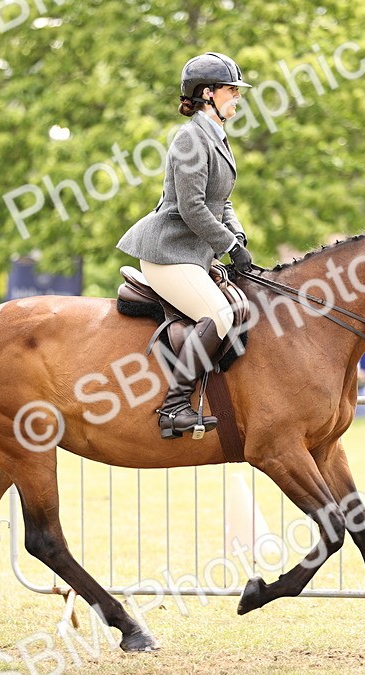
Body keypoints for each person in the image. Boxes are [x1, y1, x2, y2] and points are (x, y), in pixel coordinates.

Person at [117, 51, 253, 439]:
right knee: (220, 316)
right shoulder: (190, 139)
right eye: (231, 90)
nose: (237, 98)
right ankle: (174, 406)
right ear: (208, 93)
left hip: (193, 256)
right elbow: (192, 208)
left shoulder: (217, 137)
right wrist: (227, 243)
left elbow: (221, 201)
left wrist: (237, 237)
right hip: (168, 254)